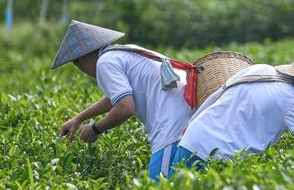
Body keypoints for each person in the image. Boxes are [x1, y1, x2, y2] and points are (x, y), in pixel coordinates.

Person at [170, 46, 294, 175]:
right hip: (216, 155)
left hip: (193, 139)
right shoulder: (291, 100)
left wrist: (191, 123)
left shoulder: (260, 69)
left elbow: (215, 96)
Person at [52, 20, 194, 180]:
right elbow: (116, 98)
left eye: (76, 64)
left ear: (82, 57)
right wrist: (79, 118)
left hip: (172, 127)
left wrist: (95, 129)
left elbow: (126, 107)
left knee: (160, 184)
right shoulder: (122, 52)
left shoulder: (105, 63)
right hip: (190, 117)